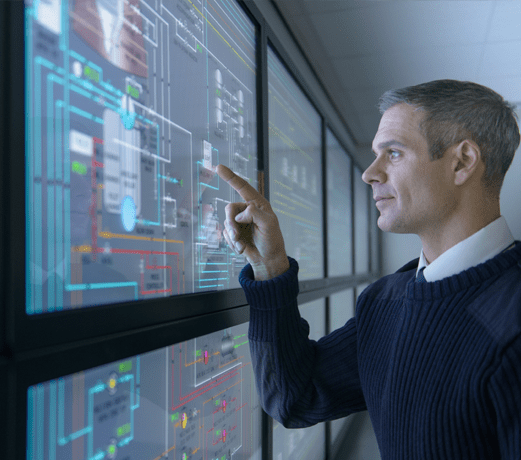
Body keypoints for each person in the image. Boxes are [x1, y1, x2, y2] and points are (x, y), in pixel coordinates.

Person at [217, 80, 521, 459]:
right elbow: (294, 398)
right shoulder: (385, 300)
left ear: (461, 162)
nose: (369, 173)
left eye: (393, 153)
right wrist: (268, 266)